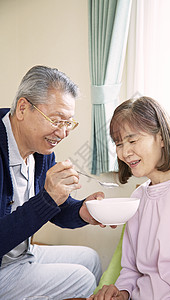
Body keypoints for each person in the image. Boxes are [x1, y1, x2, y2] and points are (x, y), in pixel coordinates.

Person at [0, 65, 104, 300]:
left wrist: (83, 212)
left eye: (68, 123)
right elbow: (45, 203)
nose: (63, 133)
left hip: (19, 254)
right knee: (82, 279)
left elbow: (56, 208)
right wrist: (47, 198)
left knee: (92, 258)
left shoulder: (41, 151)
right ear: (23, 108)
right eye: (56, 120)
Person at [89, 96, 170, 300]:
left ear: (162, 137)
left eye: (132, 140)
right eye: (119, 143)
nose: (125, 152)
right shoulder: (138, 197)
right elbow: (130, 269)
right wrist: (122, 292)